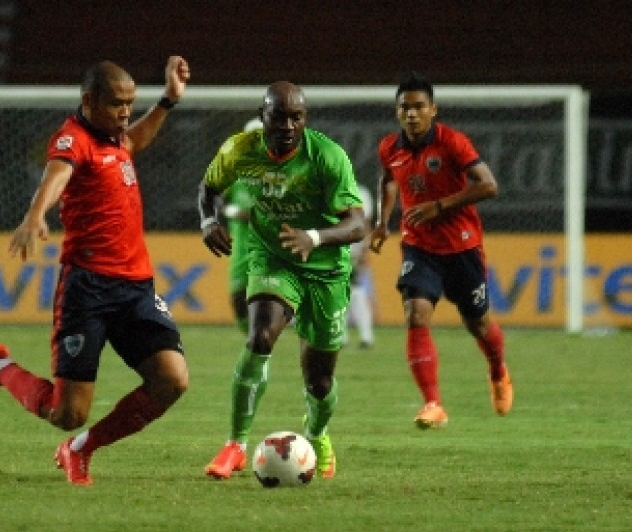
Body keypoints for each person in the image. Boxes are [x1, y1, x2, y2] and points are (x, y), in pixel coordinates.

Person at [0, 56, 191, 485]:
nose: (125, 112)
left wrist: (167, 102)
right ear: (88, 100)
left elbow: (134, 143)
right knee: (67, 413)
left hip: (136, 287)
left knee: (172, 380)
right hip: (89, 290)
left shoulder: (117, 137)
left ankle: (79, 449)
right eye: (117, 103)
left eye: (130, 103)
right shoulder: (72, 138)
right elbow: (56, 176)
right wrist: (34, 215)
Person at [198, 81, 366, 479]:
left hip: (326, 270)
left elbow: (358, 224)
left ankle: (317, 433)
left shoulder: (327, 156)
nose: (289, 125)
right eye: (280, 116)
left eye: (297, 117)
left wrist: (316, 237)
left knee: (320, 380)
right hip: (273, 257)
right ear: (263, 116)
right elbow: (208, 188)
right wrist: (208, 220)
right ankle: (235, 445)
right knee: (260, 337)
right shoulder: (240, 150)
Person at [370, 72, 513, 429]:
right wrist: (382, 220)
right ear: (396, 112)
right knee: (415, 313)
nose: (412, 114)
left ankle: (498, 371)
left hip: (462, 246)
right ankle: (433, 404)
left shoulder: (453, 143)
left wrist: (440, 206)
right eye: (405, 108)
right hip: (419, 247)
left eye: (419, 107)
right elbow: (387, 180)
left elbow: (489, 185)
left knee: (477, 323)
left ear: (433, 110)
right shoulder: (390, 147)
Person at [220, 117, 263, 333]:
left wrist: (243, 213)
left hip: (268, 248)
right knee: (238, 300)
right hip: (240, 247)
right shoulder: (235, 171)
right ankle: (254, 342)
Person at [345, 183, 377, 349]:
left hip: (352, 250)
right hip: (336, 247)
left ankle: (366, 336)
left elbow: (366, 223)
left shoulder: (360, 192)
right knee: (339, 293)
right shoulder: (329, 188)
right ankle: (342, 337)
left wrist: (365, 248)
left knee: (356, 292)